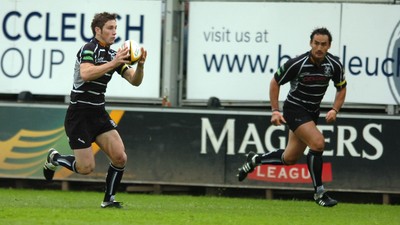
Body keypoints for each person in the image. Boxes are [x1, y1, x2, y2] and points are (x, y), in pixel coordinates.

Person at [43, 12, 147, 208]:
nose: (114, 32)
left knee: (120, 156)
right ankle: (54, 158)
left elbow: (134, 81)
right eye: (110, 28)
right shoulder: (88, 49)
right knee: (85, 168)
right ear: (98, 30)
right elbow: (86, 73)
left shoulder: (113, 54)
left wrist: (140, 66)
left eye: (115, 28)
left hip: (98, 112)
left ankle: (109, 200)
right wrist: (115, 63)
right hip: (79, 113)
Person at [237, 27, 346, 207]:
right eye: (316, 43)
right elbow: (275, 82)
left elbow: (341, 87)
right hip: (294, 109)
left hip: (312, 112)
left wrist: (335, 109)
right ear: (310, 43)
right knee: (318, 143)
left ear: (329, 46)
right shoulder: (297, 63)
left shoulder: (334, 65)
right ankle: (319, 193)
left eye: (323, 44)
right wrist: (275, 110)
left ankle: (255, 159)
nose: (319, 47)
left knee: (289, 158)